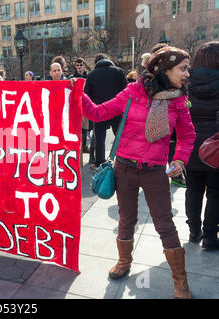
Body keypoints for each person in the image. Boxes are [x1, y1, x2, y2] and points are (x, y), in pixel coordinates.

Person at [74, 46, 196, 299]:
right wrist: (78, 92)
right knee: (126, 218)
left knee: (165, 224)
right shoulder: (133, 92)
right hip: (125, 168)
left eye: (188, 69)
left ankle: (180, 281)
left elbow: (187, 136)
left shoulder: (178, 100)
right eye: (183, 68)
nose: (187, 74)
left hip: (155, 172)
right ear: (165, 69)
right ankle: (124, 261)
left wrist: (180, 160)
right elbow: (97, 113)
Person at [185, 41, 219, 250]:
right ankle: (209, 236)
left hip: (189, 145)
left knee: (193, 189)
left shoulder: (185, 83)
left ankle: (193, 231)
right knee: (216, 191)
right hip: (215, 146)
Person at [84, 53, 128, 170]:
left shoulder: (92, 74)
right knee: (120, 135)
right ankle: (124, 160)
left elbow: (86, 94)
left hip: (99, 109)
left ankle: (99, 163)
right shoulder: (118, 72)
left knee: (99, 138)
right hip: (116, 109)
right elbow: (126, 90)